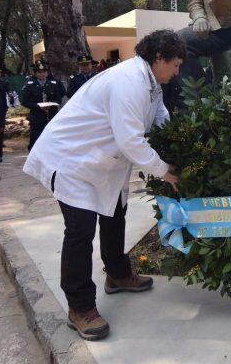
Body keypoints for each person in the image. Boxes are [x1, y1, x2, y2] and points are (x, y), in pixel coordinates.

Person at [23, 30, 184, 341]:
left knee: (114, 214)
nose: (177, 72)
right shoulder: (129, 81)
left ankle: (118, 274)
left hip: (102, 163)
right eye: (175, 64)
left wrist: (179, 141)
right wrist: (166, 171)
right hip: (72, 160)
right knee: (80, 230)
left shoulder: (151, 82)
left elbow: (159, 116)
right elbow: (131, 141)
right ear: (159, 58)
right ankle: (80, 307)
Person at [22, 61, 63, 151]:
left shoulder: (53, 84)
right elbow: (24, 101)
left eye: (44, 72)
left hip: (51, 116)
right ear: (35, 73)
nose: (42, 74)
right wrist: (38, 107)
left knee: (51, 141)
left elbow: (58, 99)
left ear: (47, 73)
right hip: (37, 117)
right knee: (35, 141)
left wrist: (51, 104)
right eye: (39, 72)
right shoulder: (30, 85)